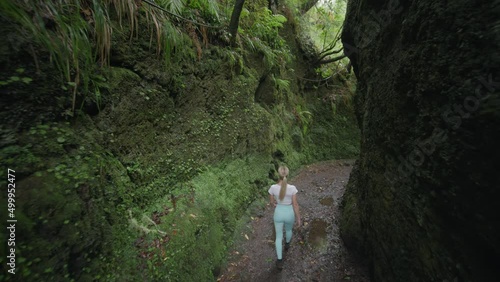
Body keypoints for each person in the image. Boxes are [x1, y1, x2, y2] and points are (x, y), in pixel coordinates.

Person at [268, 165, 301, 270]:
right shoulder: (292, 189)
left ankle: (279, 260)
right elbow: (295, 205)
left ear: (279, 174)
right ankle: (287, 244)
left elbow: (272, 202)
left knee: (278, 237)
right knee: (288, 230)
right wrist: (298, 219)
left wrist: (275, 204)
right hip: (289, 213)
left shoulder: (273, 188)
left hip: (278, 213)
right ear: (288, 174)